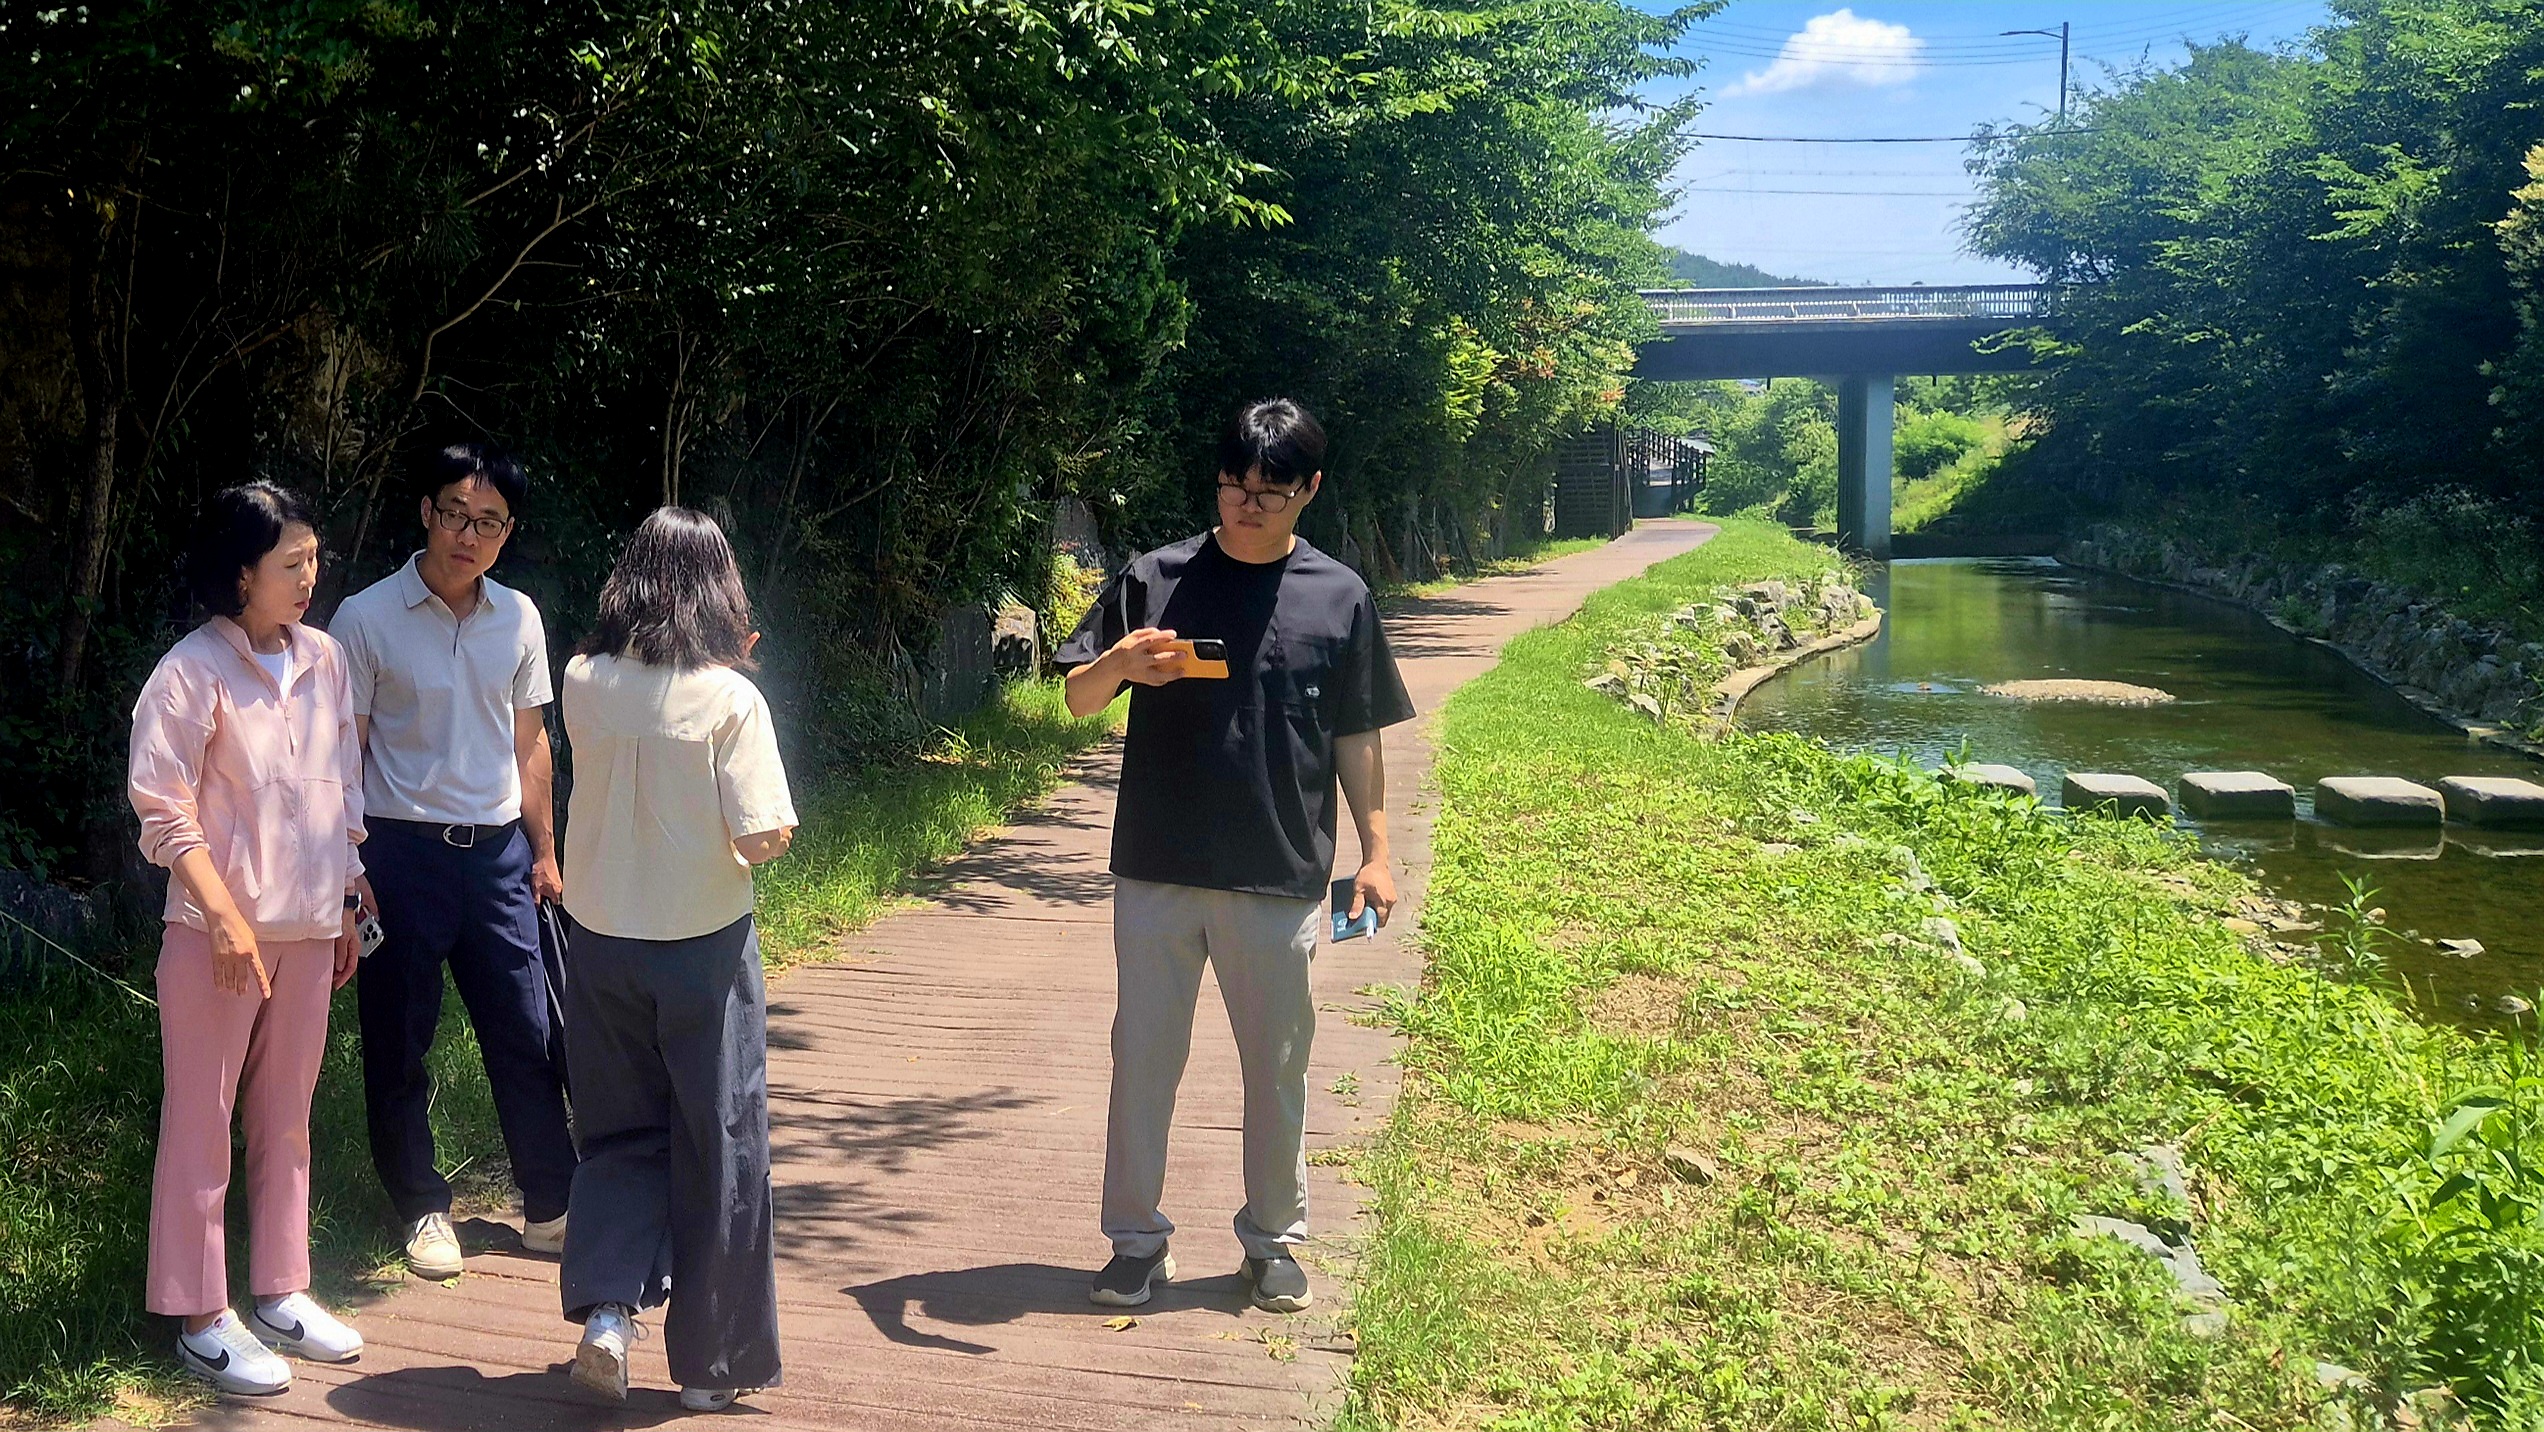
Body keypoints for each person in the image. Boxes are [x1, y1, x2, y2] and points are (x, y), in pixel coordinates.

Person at [1056, 398, 1416, 1314]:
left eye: (1270, 491)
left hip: (1281, 870)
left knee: (1278, 1065)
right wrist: (1121, 666)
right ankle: (1135, 1242)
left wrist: (1377, 853)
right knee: (1142, 1059)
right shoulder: (1155, 577)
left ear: (1310, 490)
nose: (1247, 506)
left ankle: (1273, 1239)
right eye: (1233, 486)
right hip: (1158, 866)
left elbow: (1358, 735)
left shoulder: (1340, 597)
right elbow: (1078, 700)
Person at [128, 482, 369, 1393]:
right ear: (241, 574)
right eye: (291, 563)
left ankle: (281, 1289)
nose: (310, 578)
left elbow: (342, 791)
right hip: (213, 937)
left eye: (315, 559)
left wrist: (349, 899)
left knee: (287, 1119)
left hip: (308, 929)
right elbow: (161, 808)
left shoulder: (327, 661)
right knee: (201, 1122)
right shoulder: (187, 673)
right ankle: (200, 1315)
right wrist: (222, 916)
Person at [555, 507, 797, 1411]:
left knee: (616, 1137)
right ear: (718, 589)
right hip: (701, 949)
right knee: (720, 1142)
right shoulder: (731, 697)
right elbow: (764, 834)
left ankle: (609, 1317)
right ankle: (711, 1365)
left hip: (600, 942)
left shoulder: (582, 679)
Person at [331, 441, 578, 1278]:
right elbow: (340, 753)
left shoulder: (520, 617)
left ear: (508, 532)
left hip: (500, 856)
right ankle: (422, 1205)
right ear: (425, 514)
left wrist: (546, 852)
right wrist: (345, 864)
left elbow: (533, 744)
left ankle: (551, 1204)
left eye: (490, 523)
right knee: (399, 1038)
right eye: (454, 515)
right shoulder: (365, 619)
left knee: (528, 1028)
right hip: (398, 853)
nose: (468, 536)